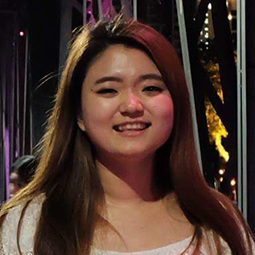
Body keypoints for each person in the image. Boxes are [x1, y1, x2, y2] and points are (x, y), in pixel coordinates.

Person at [0, 16, 254, 255]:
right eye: (109, 90)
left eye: (151, 88)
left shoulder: (218, 222)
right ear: (78, 113)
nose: (132, 106)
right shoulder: (26, 227)